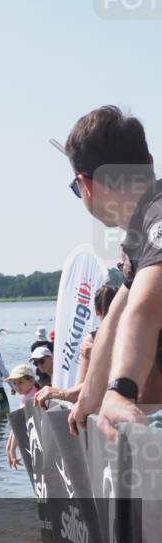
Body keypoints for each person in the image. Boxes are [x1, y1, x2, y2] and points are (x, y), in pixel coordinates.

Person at [60, 106, 162, 440]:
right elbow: (119, 312)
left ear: (86, 185)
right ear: (148, 163)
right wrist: (88, 395)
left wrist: (120, 390)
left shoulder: (157, 214)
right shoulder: (141, 234)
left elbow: (146, 306)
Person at [35, 284, 117, 408]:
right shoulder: (139, 335)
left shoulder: (92, 341)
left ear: (96, 311)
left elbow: (81, 395)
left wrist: (58, 393)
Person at [4, 365, 39, 469]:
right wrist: (9, 447)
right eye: (14, 383)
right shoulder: (29, 395)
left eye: (21, 382)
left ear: (32, 380)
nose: (17, 387)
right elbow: (16, 425)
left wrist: (12, 449)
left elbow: (19, 424)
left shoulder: (32, 398)